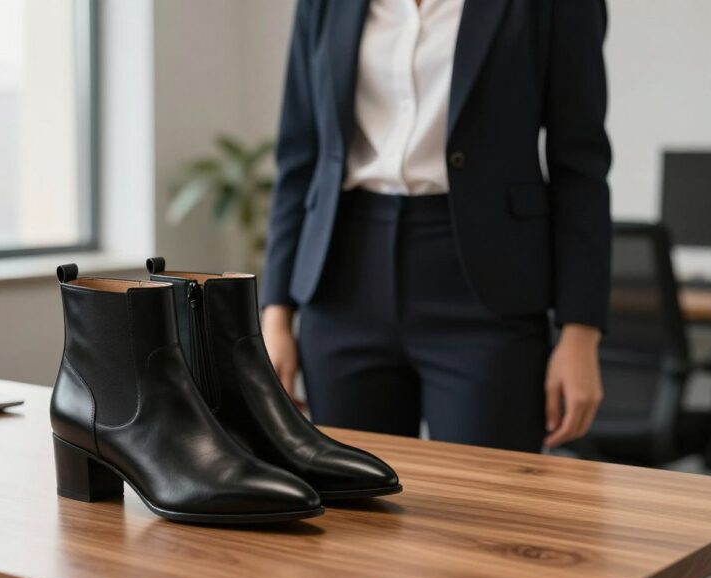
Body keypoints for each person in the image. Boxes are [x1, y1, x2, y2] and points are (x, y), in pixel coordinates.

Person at [260, 0, 611, 452]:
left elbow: (580, 168)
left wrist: (581, 333)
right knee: (353, 508)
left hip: (486, 288)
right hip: (342, 282)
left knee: (488, 505)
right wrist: (275, 317)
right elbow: (298, 158)